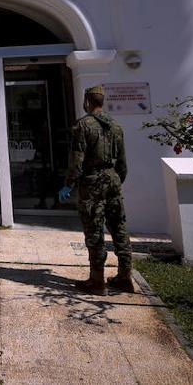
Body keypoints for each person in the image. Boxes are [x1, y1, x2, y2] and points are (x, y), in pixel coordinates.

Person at [59, 85, 133, 295]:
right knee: (119, 226)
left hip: (92, 183)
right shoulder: (116, 126)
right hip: (113, 180)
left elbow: (77, 161)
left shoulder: (83, 126)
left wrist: (69, 184)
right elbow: (123, 164)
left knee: (94, 229)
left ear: (88, 101)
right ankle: (125, 276)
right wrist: (116, 181)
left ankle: (97, 279)